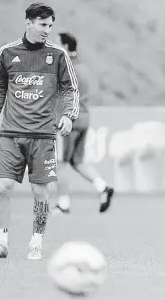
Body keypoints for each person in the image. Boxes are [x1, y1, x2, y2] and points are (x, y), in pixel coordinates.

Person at [0, 2, 80, 260]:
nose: (47, 30)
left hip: (43, 136)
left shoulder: (58, 55)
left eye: (50, 25)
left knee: (40, 192)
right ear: (28, 22)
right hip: (11, 134)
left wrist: (69, 115)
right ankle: (0, 243)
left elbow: (70, 89)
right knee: (3, 187)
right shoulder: (7, 53)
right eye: (42, 24)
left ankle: (36, 242)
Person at [51, 32, 114, 215]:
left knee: (60, 163)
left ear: (66, 47)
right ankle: (103, 187)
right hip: (84, 117)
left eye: (57, 44)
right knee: (77, 161)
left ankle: (63, 204)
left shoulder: (67, 68)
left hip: (69, 120)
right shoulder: (83, 68)